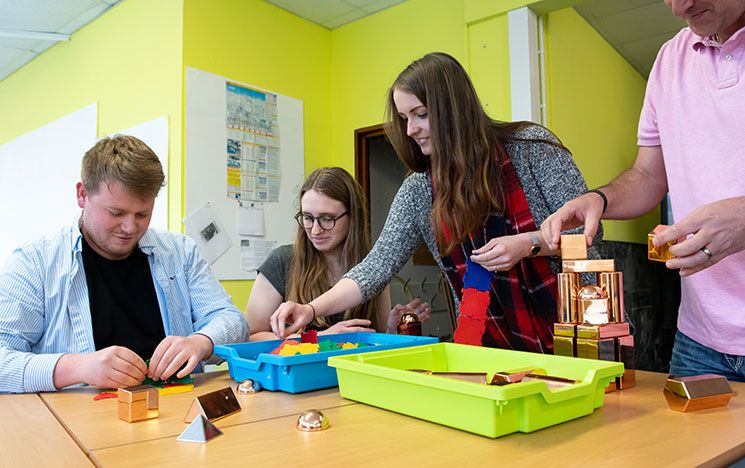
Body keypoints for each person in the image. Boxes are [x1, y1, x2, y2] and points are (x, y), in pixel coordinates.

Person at [269, 52, 599, 352]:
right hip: (487, 347)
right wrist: (311, 309)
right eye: (403, 117)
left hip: (576, 332)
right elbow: (378, 264)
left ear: (453, 110)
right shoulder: (418, 191)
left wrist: (530, 243)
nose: (410, 129)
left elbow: (589, 234)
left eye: (421, 114)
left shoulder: (532, 149)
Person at [541, 0, 745, 379]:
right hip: (699, 341)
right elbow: (649, 176)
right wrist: (599, 198)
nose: (679, 6)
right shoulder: (670, 59)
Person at [0, 135, 248, 393]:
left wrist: (201, 342)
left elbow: (233, 321)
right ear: (83, 195)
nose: (130, 228)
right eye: (116, 213)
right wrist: (77, 367)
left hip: (174, 409)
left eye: (143, 214)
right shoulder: (34, 263)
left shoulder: (180, 252)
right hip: (80, 422)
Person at [246, 167, 430, 340]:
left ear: (352, 217)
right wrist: (318, 339)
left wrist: (392, 329)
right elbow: (250, 337)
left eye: (327, 219)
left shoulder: (373, 267)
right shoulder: (281, 261)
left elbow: (375, 337)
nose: (315, 230)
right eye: (308, 218)